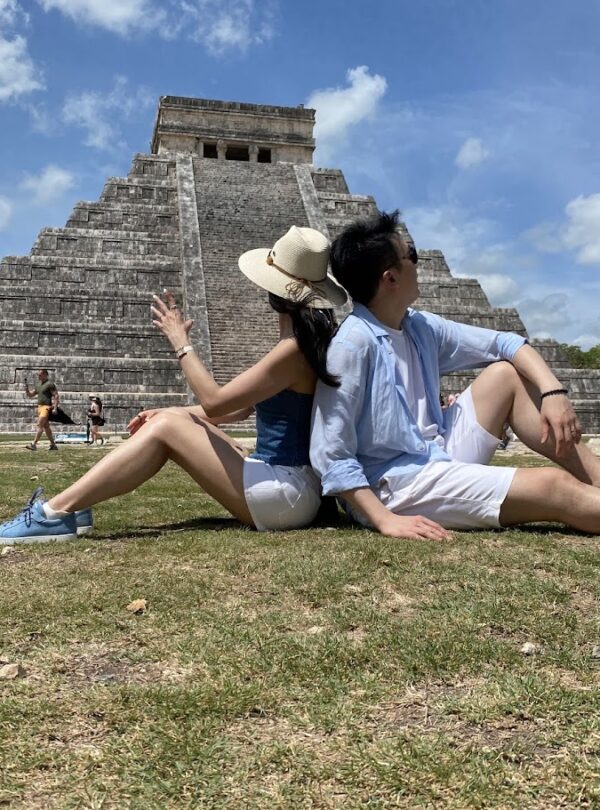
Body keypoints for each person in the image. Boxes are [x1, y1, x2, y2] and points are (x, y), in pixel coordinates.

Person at [0, 226, 347, 544]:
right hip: (290, 486)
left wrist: (181, 342)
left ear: (274, 291)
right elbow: (238, 409)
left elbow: (214, 403)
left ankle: (52, 514)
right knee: (170, 421)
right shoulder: (304, 345)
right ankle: (76, 506)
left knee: (168, 426)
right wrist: (170, 412)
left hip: (286, 493)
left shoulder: (294, 350)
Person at [310, 210, 600, 540]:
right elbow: (330, 452)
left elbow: (504, 343)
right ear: (390, 279)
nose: (418, 264)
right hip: (394, 485)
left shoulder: (417, 326)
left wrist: (553, 391)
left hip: (437, 452)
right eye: (412, 255)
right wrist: (384, 519)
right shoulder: (351, 345)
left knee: (505, 374)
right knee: (554, 487)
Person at [24, 369, 59, 451]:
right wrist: (27, 390)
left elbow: (56, 396)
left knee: (40, 424)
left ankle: (34, 444)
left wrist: (55, 407)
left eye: (40, 375)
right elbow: (31, 395)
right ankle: (53, 445)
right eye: (38, 375)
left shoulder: (50, 384)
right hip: (39, 407)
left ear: (45, 375)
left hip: (46, 407)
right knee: (46, 427)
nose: (38, 376)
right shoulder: (38, 384)